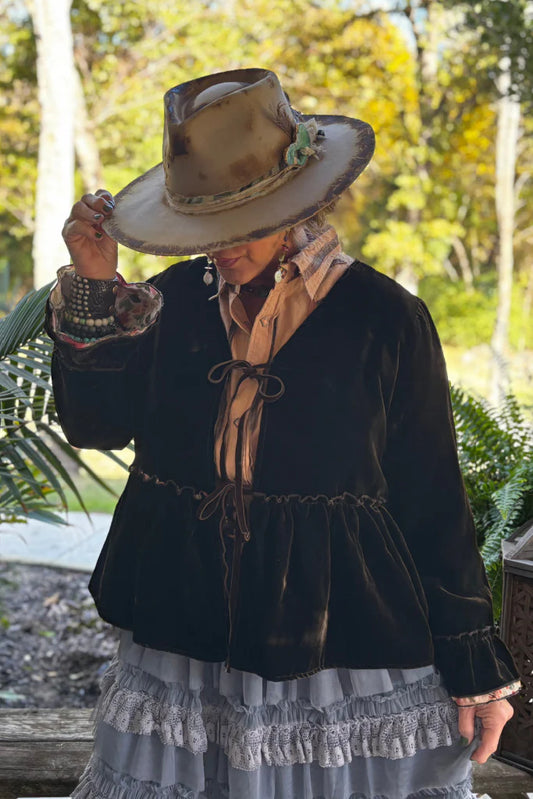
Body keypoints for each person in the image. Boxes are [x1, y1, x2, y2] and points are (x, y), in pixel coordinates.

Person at [46, 68, 521, 799]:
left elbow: (431, 499)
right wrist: (92, 282)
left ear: (298, 200)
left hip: (339, 640)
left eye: (241, 222)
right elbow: (94, 425)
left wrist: (475, 671)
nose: (220, 246)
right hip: (183, 630)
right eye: (204, 225)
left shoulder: (386, 318)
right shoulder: (167, 301)